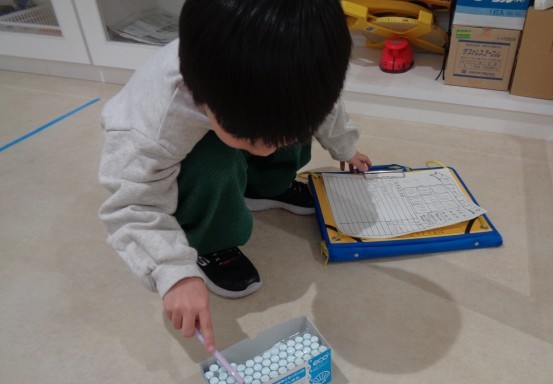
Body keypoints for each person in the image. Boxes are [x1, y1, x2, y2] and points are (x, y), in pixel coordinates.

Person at [98, 0, 372, 353]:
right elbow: (134, 203)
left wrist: (345, 146)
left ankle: (265, 186)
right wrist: (172, 269)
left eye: (278, 140)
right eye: (249, 140)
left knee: (283, 126)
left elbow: (326, 107)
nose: (265, 151)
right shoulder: (155, 122)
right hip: (182, 145)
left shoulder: (303, 76)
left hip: (241, 110)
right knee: (214, 162)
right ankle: (212, 242)